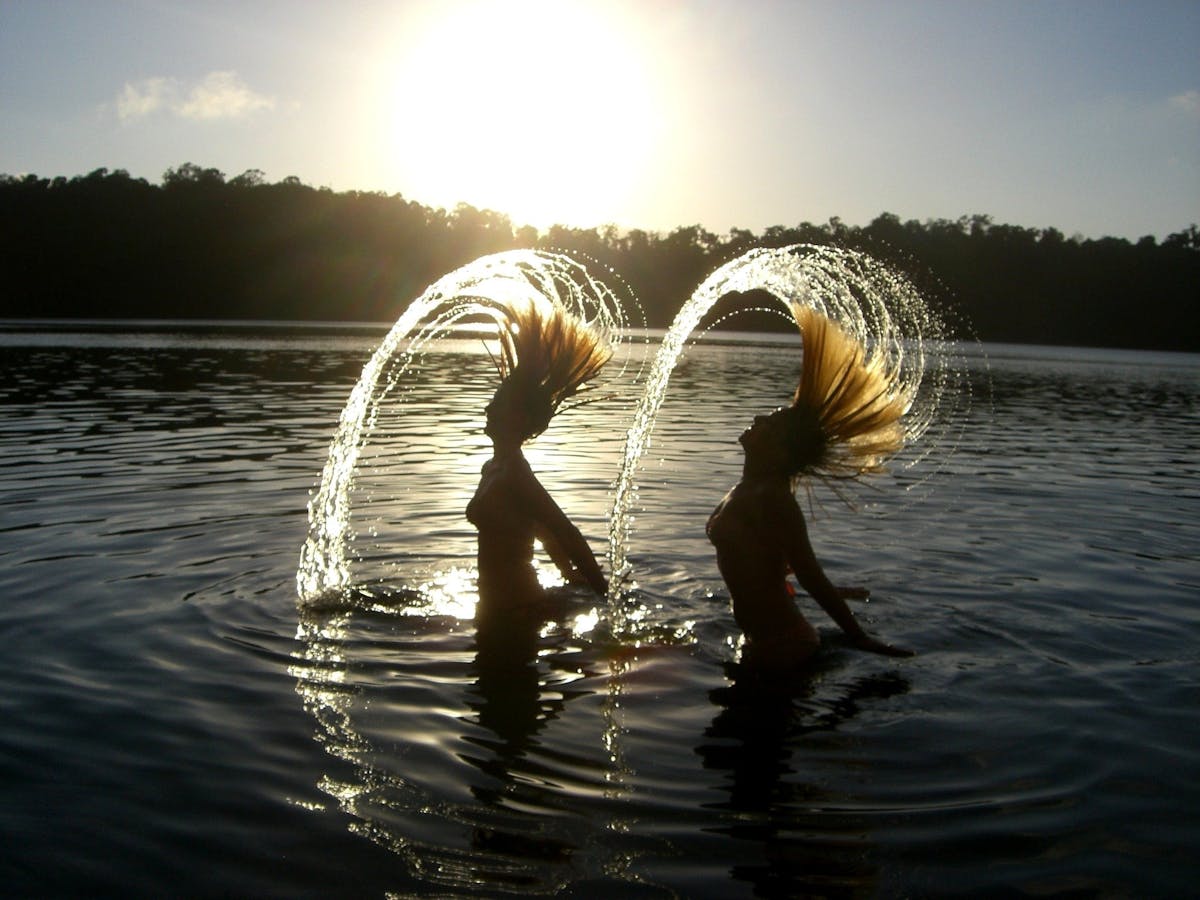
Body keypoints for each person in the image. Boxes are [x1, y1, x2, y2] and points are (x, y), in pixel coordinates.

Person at [706, 306, 915, 670]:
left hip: (784, 645)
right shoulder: (748, 488)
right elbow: (764, 558)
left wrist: (858, 637)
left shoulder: (772, 498)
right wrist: (834, 591)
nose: (758, 418)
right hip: (759, 640)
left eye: (770, 423)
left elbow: (810, 574)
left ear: (778, 451)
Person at [467, 301, 610, 628]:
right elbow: (543, 530)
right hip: (495, 607)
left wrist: (604, 593)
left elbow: (565, 531)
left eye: (498, 401)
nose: (488, 407)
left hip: (517, 611)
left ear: (518, 417)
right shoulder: (493, 467)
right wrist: (567, 574)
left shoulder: (515, 473)